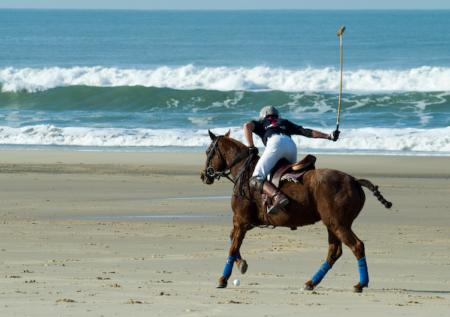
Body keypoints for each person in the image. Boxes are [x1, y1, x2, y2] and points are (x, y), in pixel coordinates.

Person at [244, 105, 339, 214]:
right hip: (291, 146)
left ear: (263, 116)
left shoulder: (260, 123)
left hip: (275, 144)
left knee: (256, 178)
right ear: (277, 115)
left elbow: (247, 126)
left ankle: (277, 196)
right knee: (290, 174)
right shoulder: (284, 122)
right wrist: (329, 136)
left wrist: (251, 146)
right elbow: (307, 132)